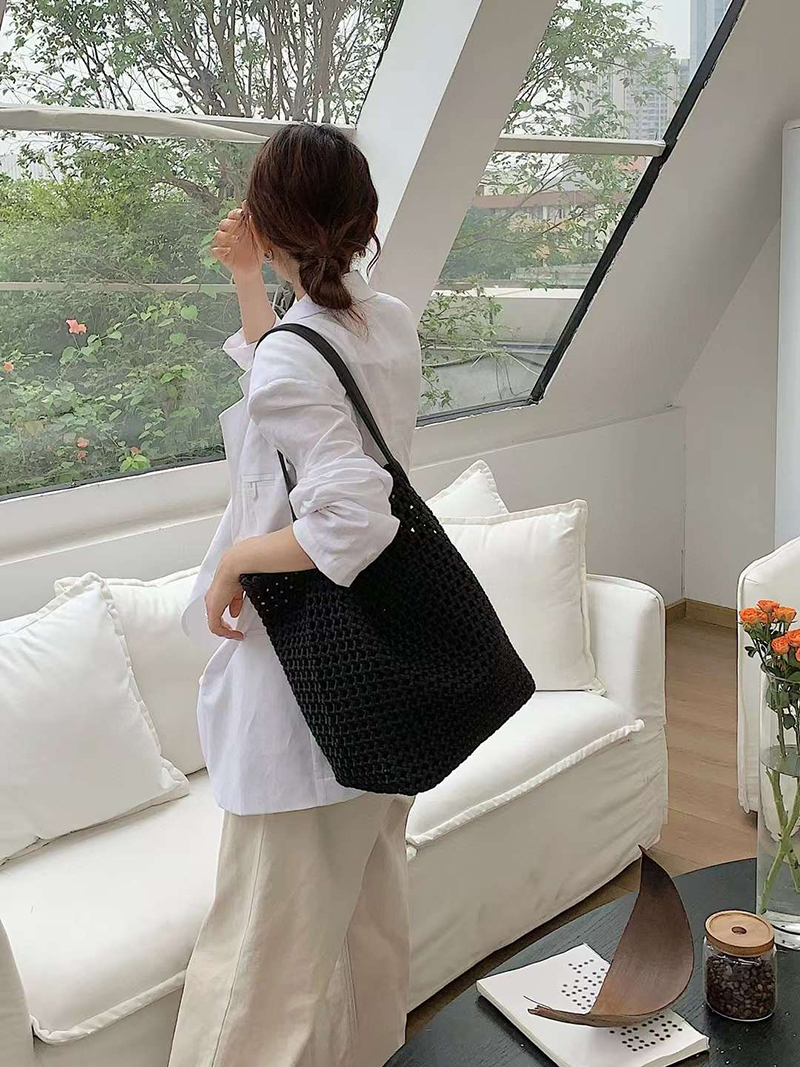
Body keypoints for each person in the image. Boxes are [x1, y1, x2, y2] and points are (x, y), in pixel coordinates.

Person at [170, 124, 422, 1067]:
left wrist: (237, 559)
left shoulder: (297, 352)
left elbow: (350, 515)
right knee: (367, 929)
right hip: (382, 675)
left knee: (256, 969)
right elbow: (298, 390)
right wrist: (253, 276)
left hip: (304, 691)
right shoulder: (386, 322)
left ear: (273, 223)